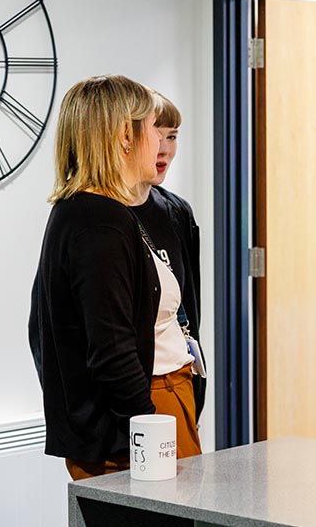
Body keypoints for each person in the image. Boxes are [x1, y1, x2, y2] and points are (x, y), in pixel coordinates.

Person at [28, 75, 200, 481]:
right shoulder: (99, 222)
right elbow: (111, 349)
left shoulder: (85, 212)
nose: (159, 142)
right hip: (134, 420)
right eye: (151, 128)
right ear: (126, 135)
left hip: (141, 409)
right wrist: (149, 425)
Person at [130, 91, 207, 424]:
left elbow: (189, 306)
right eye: (155, 135)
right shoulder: (99, 216)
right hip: (126, 397)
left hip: (177, 381)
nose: (163, 148)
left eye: (172, 136)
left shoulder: (176, 212)